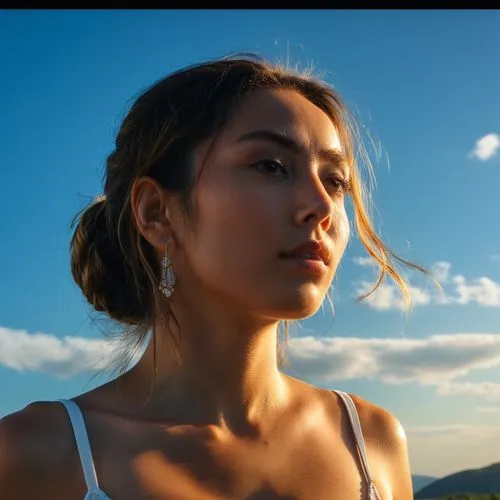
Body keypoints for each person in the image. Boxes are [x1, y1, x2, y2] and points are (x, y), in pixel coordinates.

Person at [0, 54, 423, 499]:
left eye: (335, 180)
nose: (320, 206)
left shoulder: (370, 442)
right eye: (271, 166)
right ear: (156, 213)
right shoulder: (35, 454)